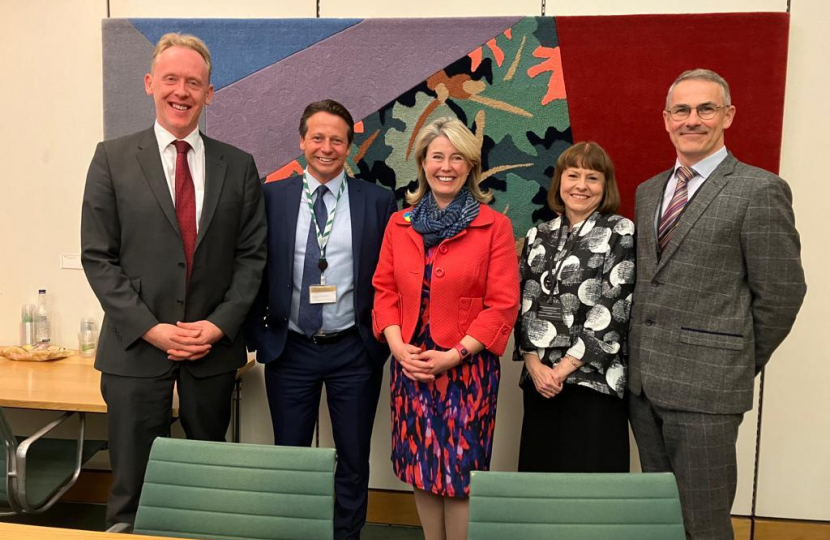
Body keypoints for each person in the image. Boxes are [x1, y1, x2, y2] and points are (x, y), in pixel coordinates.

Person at [81, 33, 267, 527]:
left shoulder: (239, 165)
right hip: (135, 351)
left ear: (209, 93)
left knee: (208, 484)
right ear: (149, 84)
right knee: (131, 487)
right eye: (171, 79)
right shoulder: (111, 159)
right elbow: (98, 258)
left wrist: (217, 326)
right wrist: (150, 328)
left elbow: (252, 258)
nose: (181, 91)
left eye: (193, 82)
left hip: (211, 353)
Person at [628, 68, 806, 540]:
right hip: (644, 387)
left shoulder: (759, 189)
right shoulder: (648, 193)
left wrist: (732, 361)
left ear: (727, 115)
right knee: (661, 519)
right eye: (682, 110)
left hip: (708, 391)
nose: (693, 119)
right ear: (666, 119)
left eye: (705, 108)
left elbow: (782, 295)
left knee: (703, 524)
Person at [244, 99, 396, 540]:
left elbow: (389, 276)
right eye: (317, 137)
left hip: (354, 349)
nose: (326, 147)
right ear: (301, 141)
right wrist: (258, 331)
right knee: (290, 457)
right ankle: (294, 532)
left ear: (350, 145)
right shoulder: (272, 196)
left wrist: (380, 339)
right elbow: (252, 267)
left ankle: (348, 535)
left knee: (352, 458)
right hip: (290, 348)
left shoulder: (377, 200)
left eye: (337, 139)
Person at [372, 117, 520, 540]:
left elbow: (503, 304)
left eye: (457, 157)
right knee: (421, 469)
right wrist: (398, 348)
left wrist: (455, 355)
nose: (446, 166)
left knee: (460, 477)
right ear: (422, 162)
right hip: (411, 365)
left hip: (466, 370)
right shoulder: (399, 225)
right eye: (437, 156)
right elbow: (383, 291)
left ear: (471, 166)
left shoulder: (494, 226)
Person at [514, 142, 634, 473]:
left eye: (592, 177)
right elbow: (523, 305)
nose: (581, 185)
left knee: (589, 488)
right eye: (573, 175)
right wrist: (534, 365)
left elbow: (614, 306)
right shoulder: (539, 233)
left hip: (591, 381)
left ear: (605, 186)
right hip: (540, 381)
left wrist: (564, 368)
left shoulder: (619, 231)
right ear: (559, 182)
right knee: (542, 482)